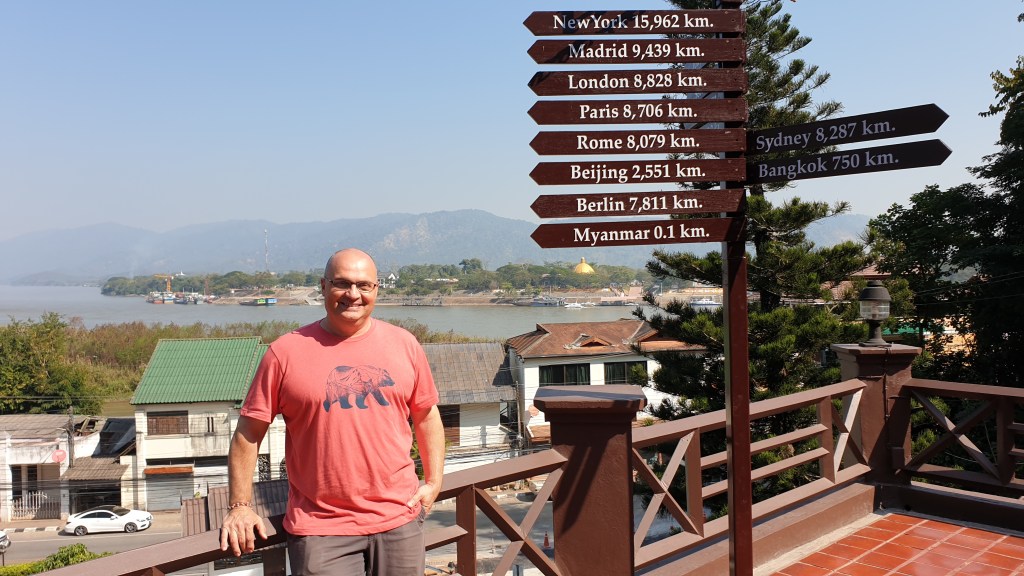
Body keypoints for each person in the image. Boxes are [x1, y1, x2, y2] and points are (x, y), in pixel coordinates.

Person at [219, 248, 445, 576]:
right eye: (342, 283)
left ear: (376, 289)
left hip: (400, 520)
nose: (353, 294)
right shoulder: (284, 353)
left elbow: (426, 416)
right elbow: (248, 434)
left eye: (364, 285)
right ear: (323, 287)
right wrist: (240, 506)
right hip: (321, 529)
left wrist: (434, 481)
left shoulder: (405, 344)